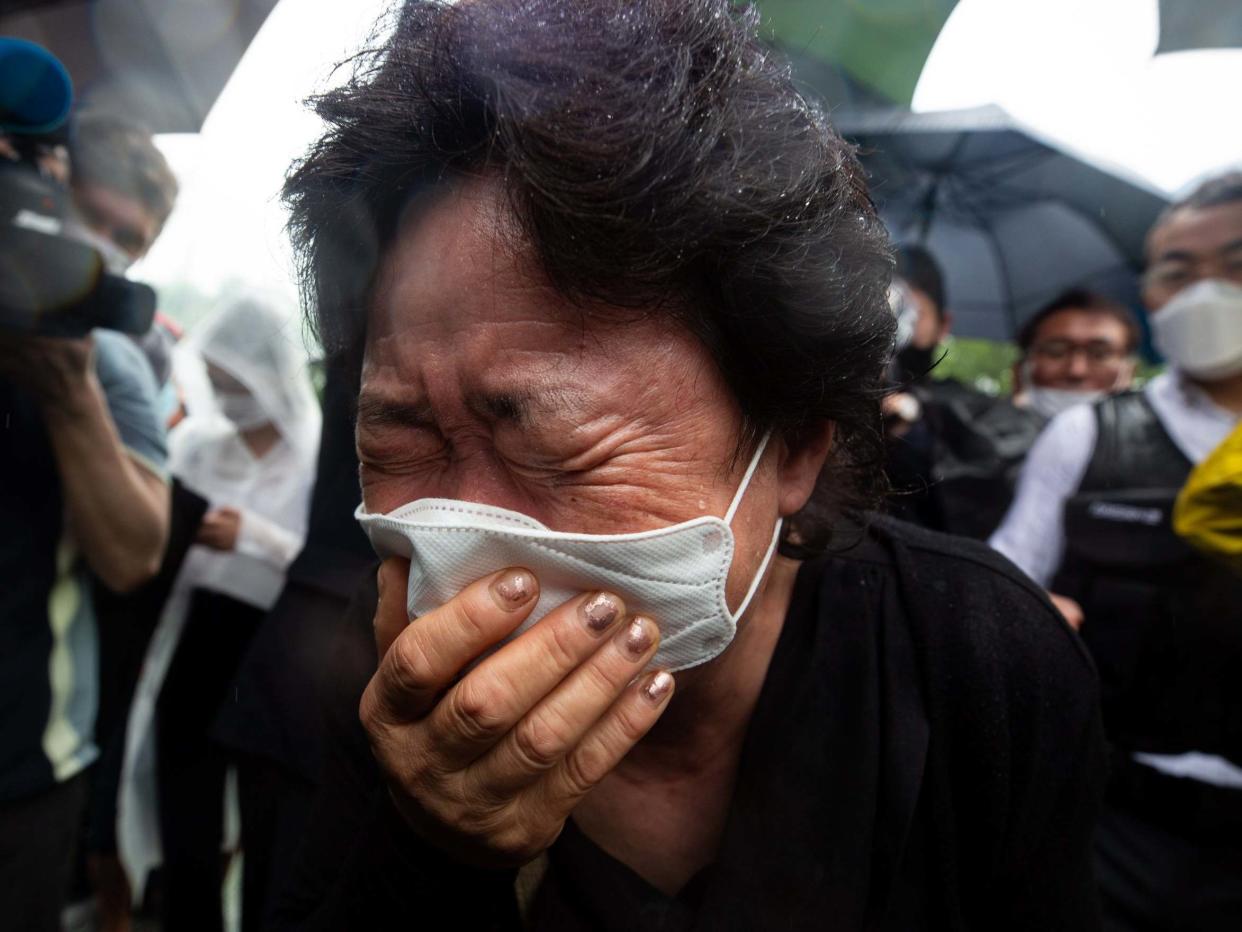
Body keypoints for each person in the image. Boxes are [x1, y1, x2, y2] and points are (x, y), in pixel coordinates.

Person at [271, 3, 1105, 929]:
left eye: (557, 444)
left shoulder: (979, 659)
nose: (468, 531)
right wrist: (437, 850)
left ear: (792, 447)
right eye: (402, 439)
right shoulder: (385, 661)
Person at [990, 171, 1242, 929]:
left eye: (1236, 263)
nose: (1206, 291)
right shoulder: (1089, 435)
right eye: (1177, 271)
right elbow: (1002, 590)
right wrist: (1025, 621)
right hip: (1109, 819)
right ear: (1150, 294)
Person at [0, 45, 172, 932]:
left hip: (26, 766)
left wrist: (67, 389)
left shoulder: (111, 360)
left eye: (130, 246)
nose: (101, 255)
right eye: (93, 223)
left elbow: (134, 552)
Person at [117, 297, 320, 930]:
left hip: (269, 652)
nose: (224, 396)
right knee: (185, 807)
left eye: (236, 383)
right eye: (215, 382)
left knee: (264, 816)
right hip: (194, 638)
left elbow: (319, 564)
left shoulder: (312, 461)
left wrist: (253, 536)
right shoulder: (199, 448)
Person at [883, 246, 1048, 539]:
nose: (894, 329)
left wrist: (915, 427)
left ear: (943, 324)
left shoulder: (972, 408)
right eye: (884, 311)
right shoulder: (822, 391)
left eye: (913, 312)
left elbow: (987, 486)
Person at [1010, 289, 1139, 420]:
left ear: (1129, 372)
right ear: (1019, 372)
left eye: (1099, 355)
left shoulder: (1156, 437)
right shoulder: (990, 434)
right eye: (1056, 352)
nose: (1076, 371)